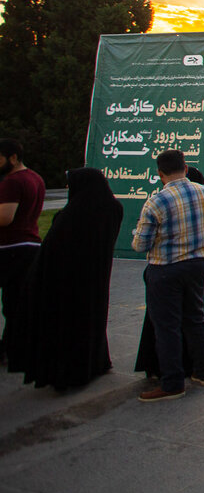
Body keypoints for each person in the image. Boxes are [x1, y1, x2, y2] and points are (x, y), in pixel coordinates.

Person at [131, 149, 204, 402]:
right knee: (196, 318)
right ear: (185, 166)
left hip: (166, 269)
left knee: (167, 326)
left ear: (160, 174)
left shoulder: (157, 201)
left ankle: (172, 383)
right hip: (198, 265)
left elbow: (140, 244)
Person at [22, 167, 121, 390]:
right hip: (97, 277)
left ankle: (68, 373)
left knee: (69, 328)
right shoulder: (113, 208)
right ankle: (96, 362)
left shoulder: (71, 216)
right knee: (93, 322)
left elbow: (53, 253)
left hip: (68, 283)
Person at [0, 138, 45, 372]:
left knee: (12, 303)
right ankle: (13, 347)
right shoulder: (36, 178)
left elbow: (5, 218)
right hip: (30, 245)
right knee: (18, 302)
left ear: (13, 158)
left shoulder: (13, 182)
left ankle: (12, 349)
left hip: (11, 248)